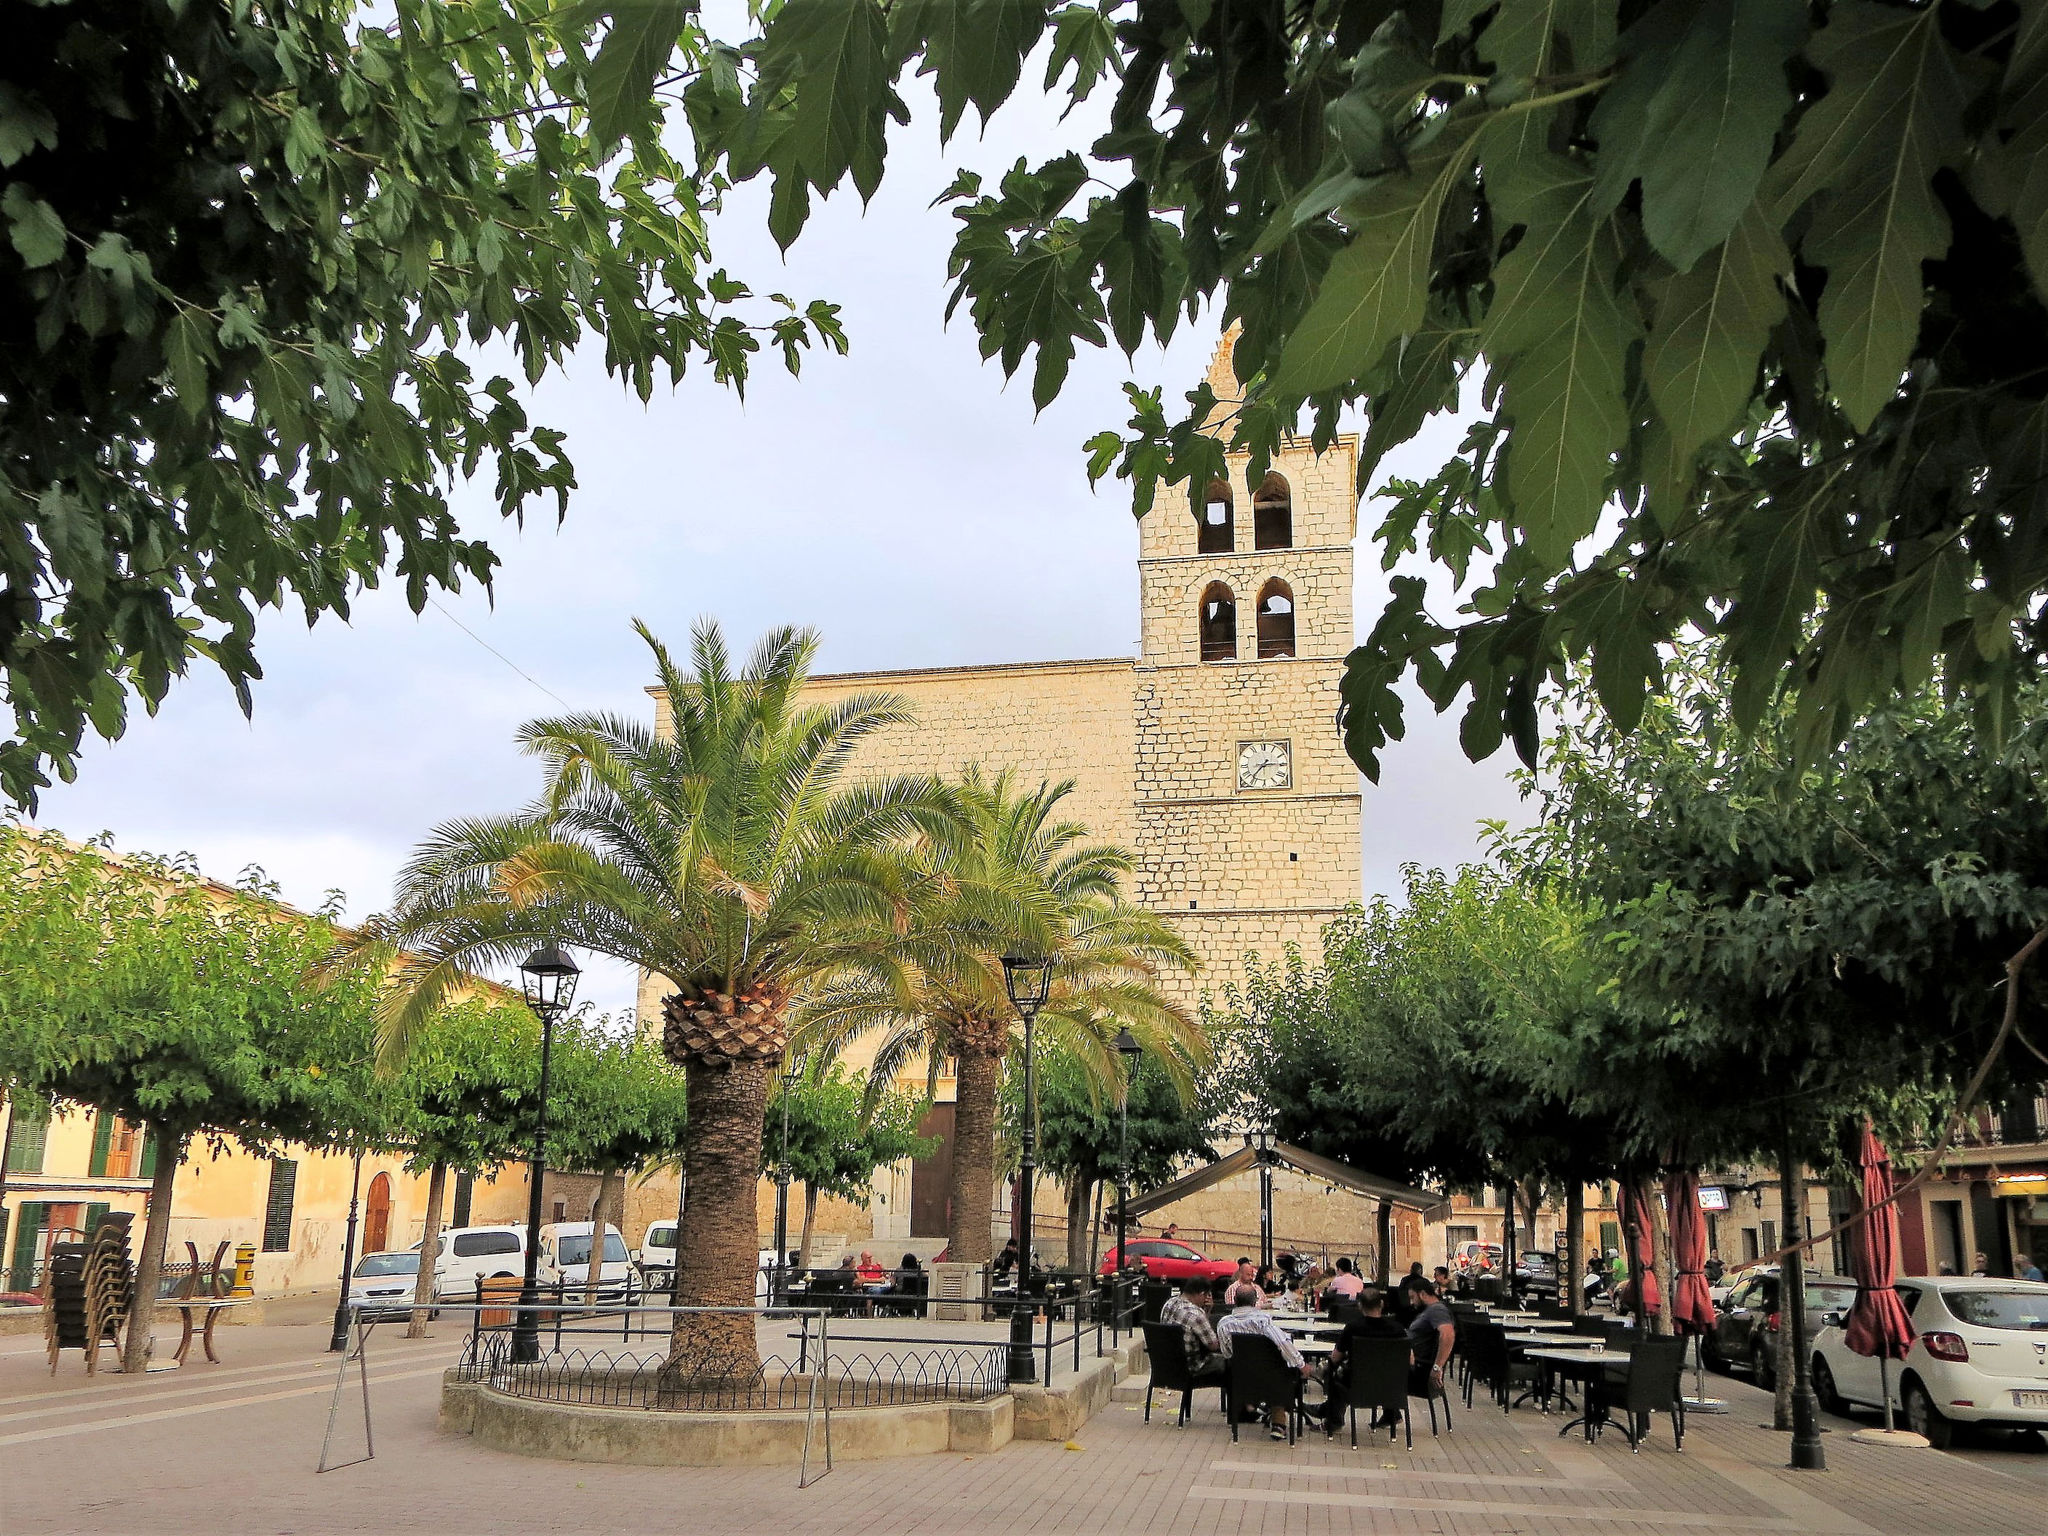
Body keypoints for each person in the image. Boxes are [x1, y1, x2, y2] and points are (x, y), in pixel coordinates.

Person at [1216, 1282, 1312, 1439]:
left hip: (1241, 1377)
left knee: (1268, 1372)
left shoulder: (1223, 1324)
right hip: (1271, 1377)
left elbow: (1227, 1354)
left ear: (1235, 1300)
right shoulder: (1263, 1320)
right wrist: (1301, 1364)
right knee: (1282, 1370)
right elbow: (1283, 1343)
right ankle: (1279, 1423)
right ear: (1255, 1301)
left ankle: (1251, 1406)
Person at [1319, 1285, 1407, 1433]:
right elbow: (1409, 1359)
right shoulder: (1397, 1329)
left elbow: (1335, 1357)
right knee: (1383, 1370)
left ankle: (1332, 1419)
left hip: (1357, 1385)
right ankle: (1392, 1413)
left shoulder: (1353, 1328)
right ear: (1381, 1304)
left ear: (1360, 1306)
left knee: (1333, 1373)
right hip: (1391, 1386)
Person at [1160, 1276, 1228, 1383]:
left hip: (1167, 1363)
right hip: (1191, 1366)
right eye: (1206, 1296)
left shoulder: (1169, 1303)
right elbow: (1213, 1345)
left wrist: (1206, 1311)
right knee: (1230, 1362)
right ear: (1201, 1294)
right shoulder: (1196, 1314)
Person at [1405, 1275, 1457, 1404]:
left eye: (1412, 1297)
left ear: (1422, 1294)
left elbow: (1448, 1334)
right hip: (1412, 1363)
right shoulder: (1431, 1310)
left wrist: (1437, 1367)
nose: (1411, 1303)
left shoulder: (1437, 1310)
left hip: (1417, 1370)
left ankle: (1391, 1411)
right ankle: (1391, 1411)